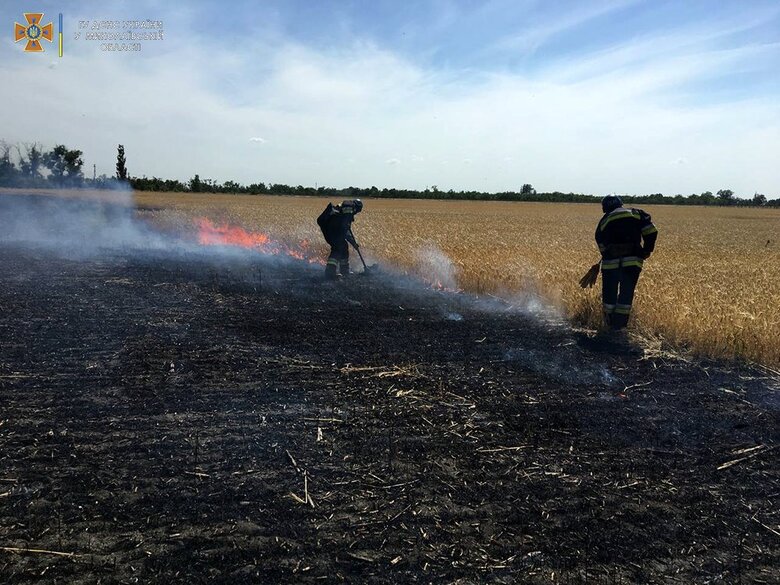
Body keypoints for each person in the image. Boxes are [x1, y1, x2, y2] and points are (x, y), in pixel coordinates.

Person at [595, 195, 658, 330]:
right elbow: (651, 231)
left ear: (605, 207)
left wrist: (606, 254)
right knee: (626, 293)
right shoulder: (636, 213)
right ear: (620, 203)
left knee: (609, 294)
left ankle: (608, 325)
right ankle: (620, 326)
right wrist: (647, 250)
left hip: (610, 264)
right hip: (633, 261)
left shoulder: (605, 219)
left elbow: (599, 240)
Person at [317, 199, 363, 279]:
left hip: (333, 228)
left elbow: (345, 230)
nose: (355, 213)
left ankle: (344, 271)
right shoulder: (349, 205)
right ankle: (330, 272)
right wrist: (346, 224)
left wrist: (353, 243)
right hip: (332, 228)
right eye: (357, 211)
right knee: (337, 248)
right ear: (357, 207)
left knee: (344, 247)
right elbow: (345, 226)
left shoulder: (346, 210)